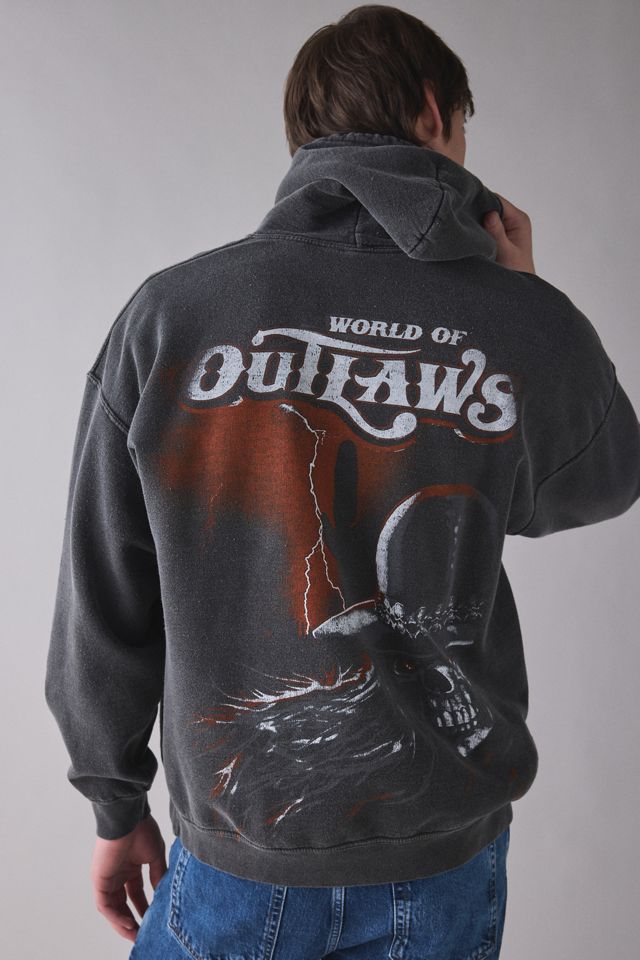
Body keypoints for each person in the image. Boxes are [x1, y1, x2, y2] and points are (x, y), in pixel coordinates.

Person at [44, 5, 640, 959]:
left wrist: (114, 803)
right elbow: (602, 481)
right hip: (443, 856)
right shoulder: (519, 320)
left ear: (308, 140)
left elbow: (103, 588)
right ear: (435, 113)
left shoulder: (171, 315)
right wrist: (529, 305)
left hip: (241, 847)